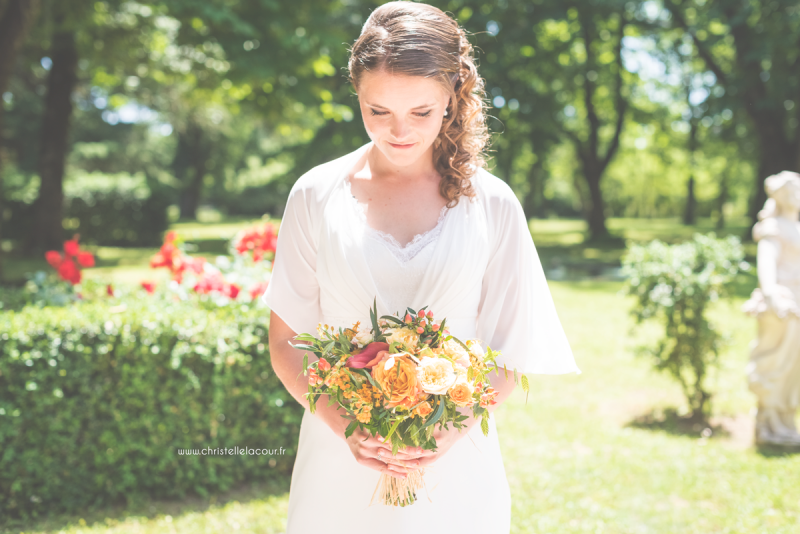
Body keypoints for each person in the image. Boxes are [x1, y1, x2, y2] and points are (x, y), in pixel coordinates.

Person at [263, 2, 579, 532]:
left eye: (421, 113)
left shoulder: (493, 203)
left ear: (453, 99)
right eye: (377, 110)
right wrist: (348, 429)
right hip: (336, 465)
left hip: (457, 466)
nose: (398, 131)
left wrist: (444, 434)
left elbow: (510, 352)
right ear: (357, 94)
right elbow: (285, 342)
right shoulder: (315, 194)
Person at [743, 170, 800, 446]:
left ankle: (786, 422)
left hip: (797, 304)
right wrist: (772, 296)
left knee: (794, 369)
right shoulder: (773, 227)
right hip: (783, 306)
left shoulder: (796, 227)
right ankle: (769, 424)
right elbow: (766, 265)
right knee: (777, 363)